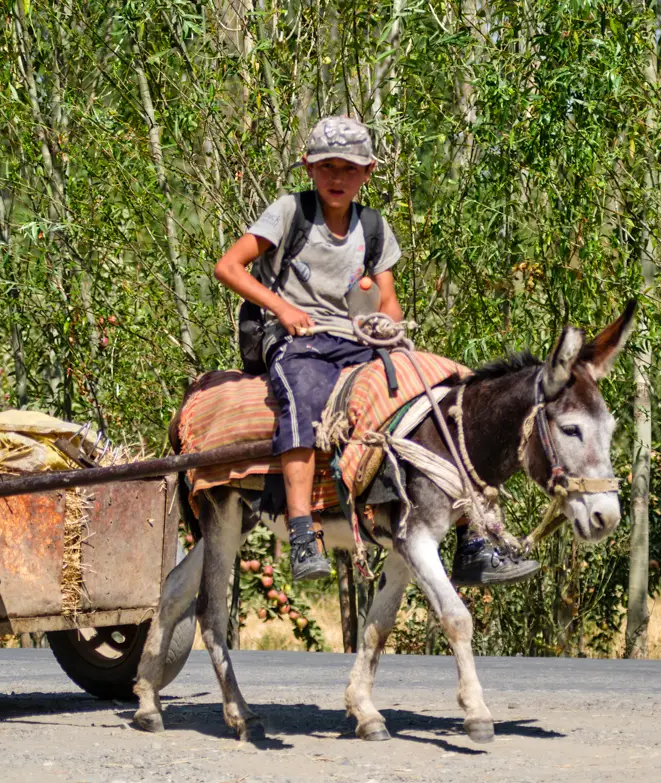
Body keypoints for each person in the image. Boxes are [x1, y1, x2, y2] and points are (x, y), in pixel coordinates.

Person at [213, 115, 539, 586]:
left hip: (358, 342)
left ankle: (474, 539)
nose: (337, 177)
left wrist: (387, 326)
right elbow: (228, 266)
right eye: (327, 167)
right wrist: (281, 308)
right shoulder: (289, 213)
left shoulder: (373, 226)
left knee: (447, 393)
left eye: (349, 168)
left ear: (367, 173)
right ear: (308, 168)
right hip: (296, 341)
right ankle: (304, 534)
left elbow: (387, 300)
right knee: (303, 399)